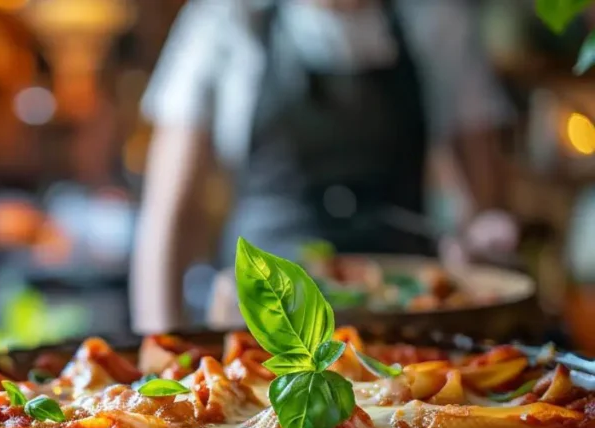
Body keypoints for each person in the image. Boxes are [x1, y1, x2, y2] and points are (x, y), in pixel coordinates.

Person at [130, 0, 518, 333]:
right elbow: (166, 220)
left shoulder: (434, 19)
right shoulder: (226, 21)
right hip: (264, 325)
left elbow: (482, 203)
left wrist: (481, 238)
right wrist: (163, 355)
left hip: (408, 323)